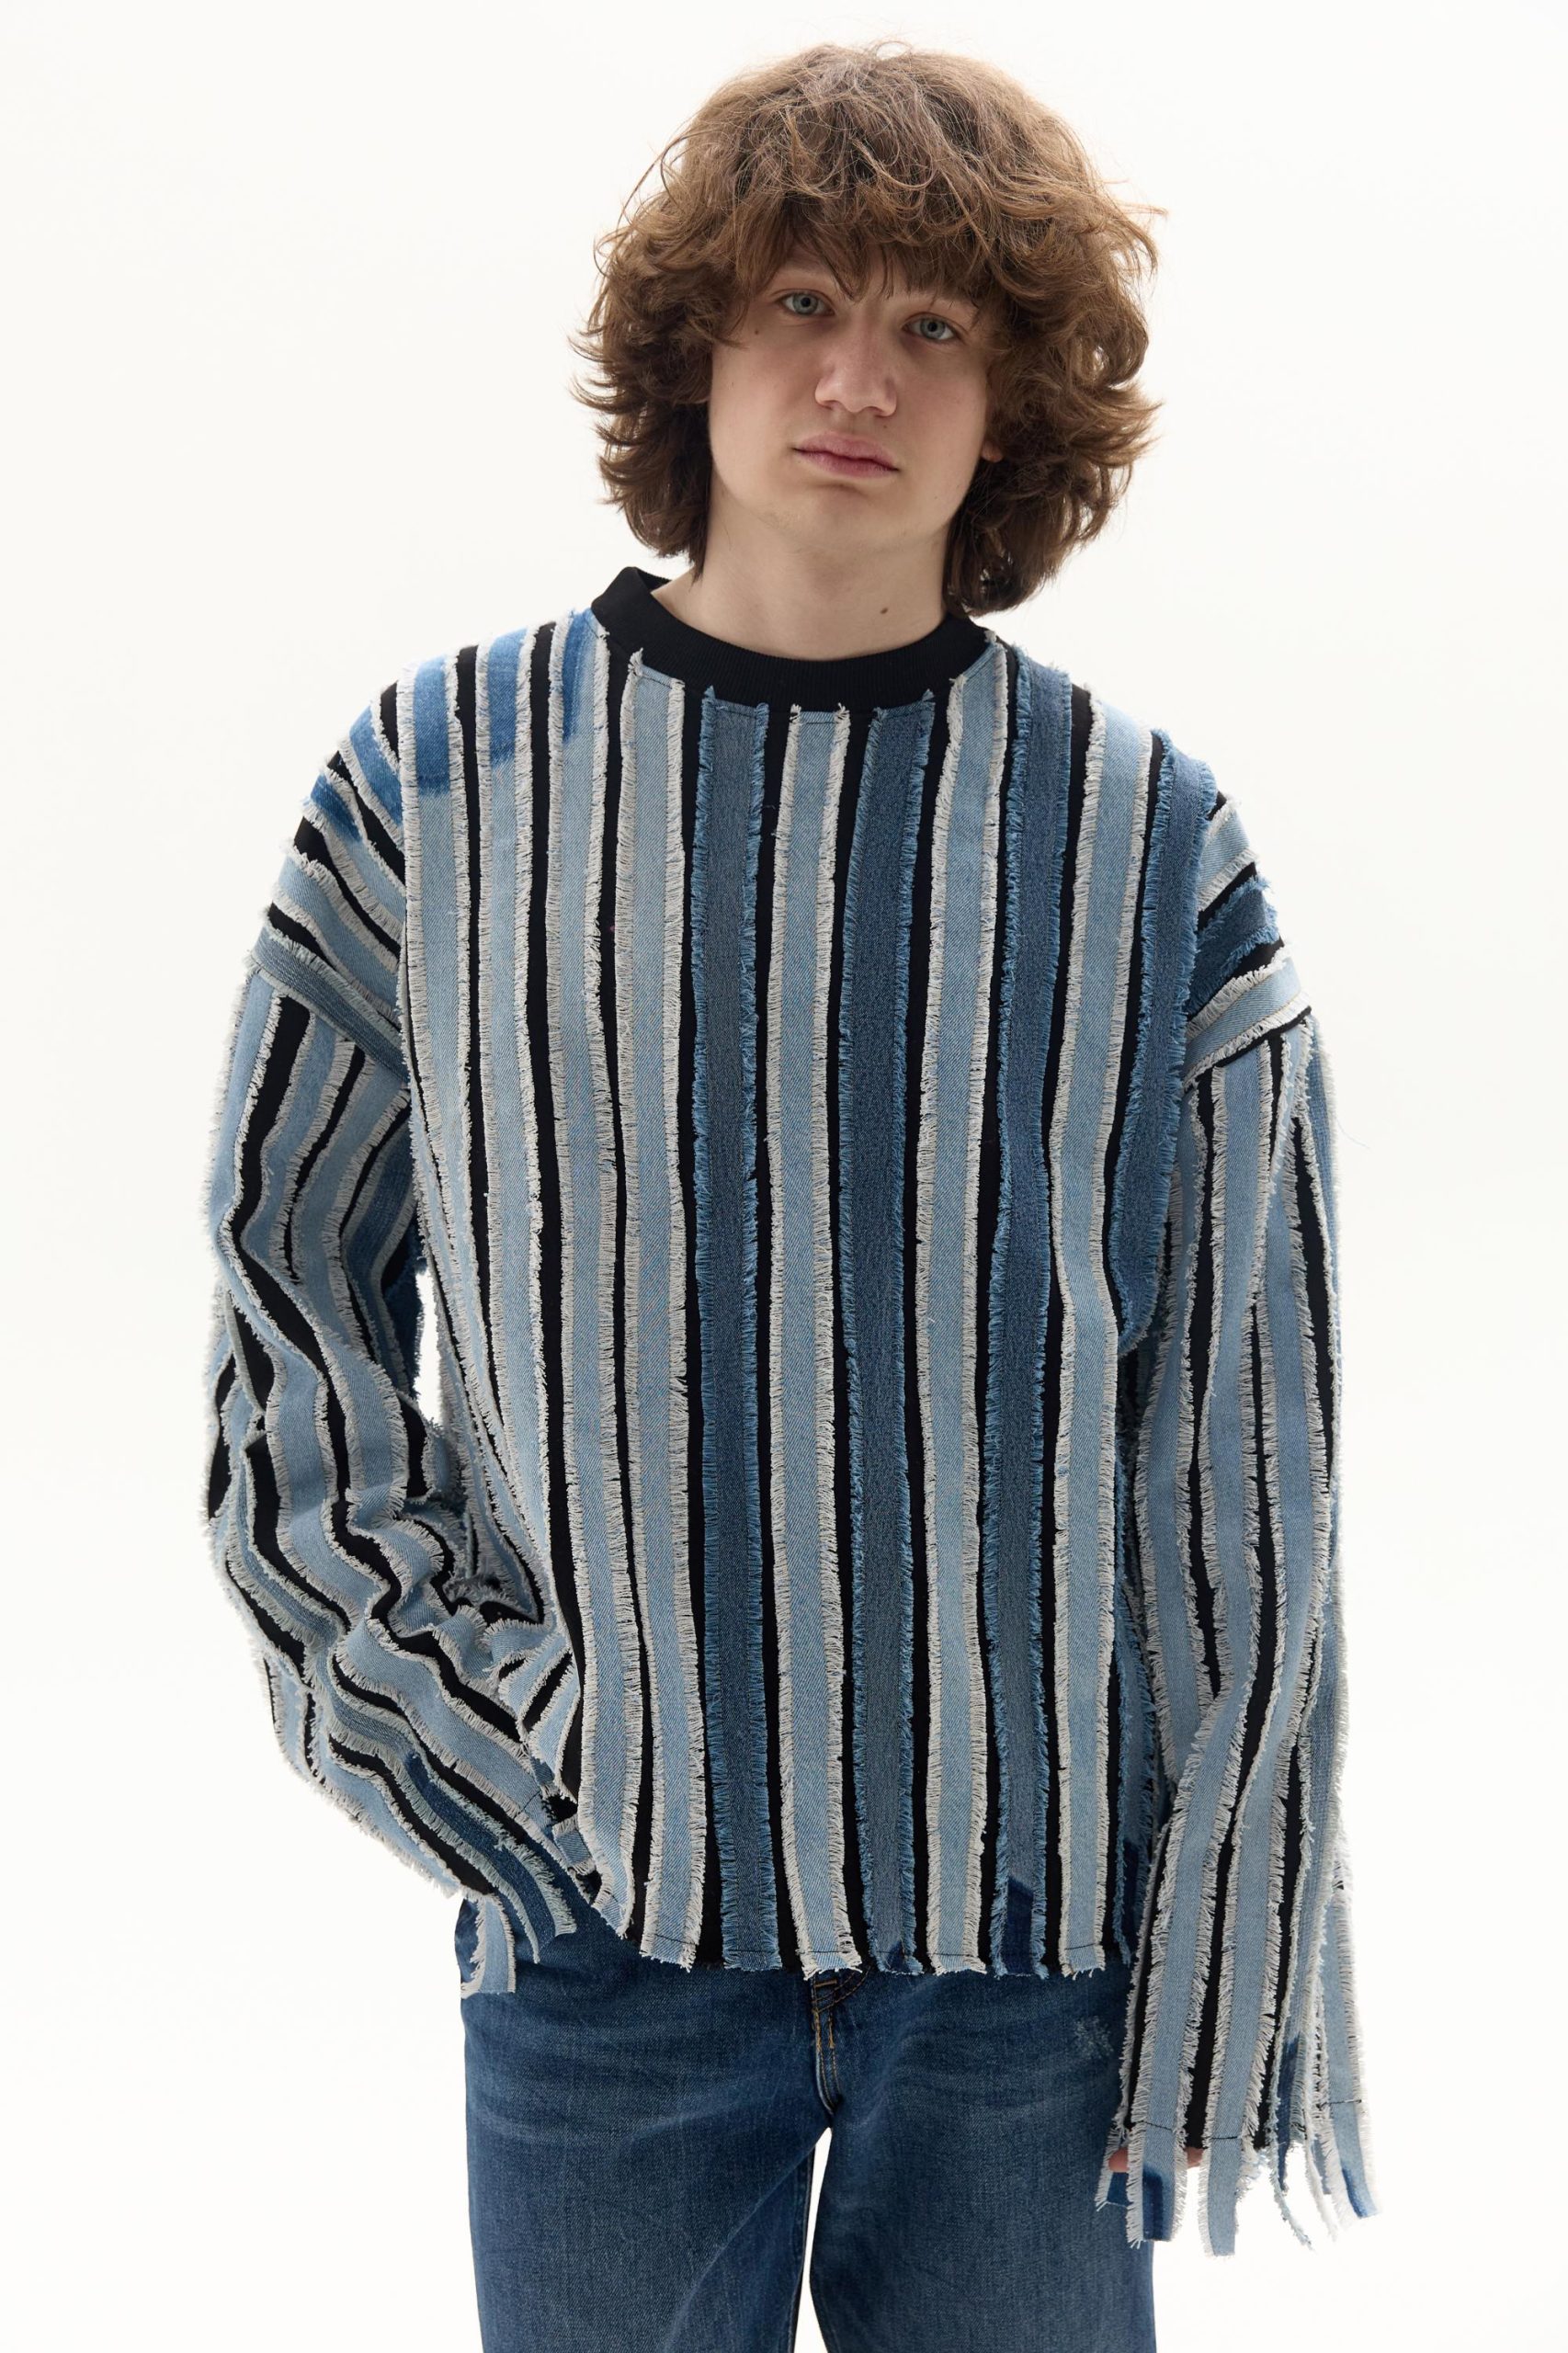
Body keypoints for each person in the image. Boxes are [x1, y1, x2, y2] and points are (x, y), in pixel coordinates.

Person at [200, 38, 1378, 2350]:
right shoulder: (437, 790)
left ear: (1014, 401)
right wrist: (472, 1738)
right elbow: (289, 1299)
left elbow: (1246, 1431)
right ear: (695, 346)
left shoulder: (1148, 847)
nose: (859, 377)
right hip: (604, 1916)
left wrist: (1214, 1910)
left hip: (1030, 1950)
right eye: (802, 301)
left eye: (936, 323)